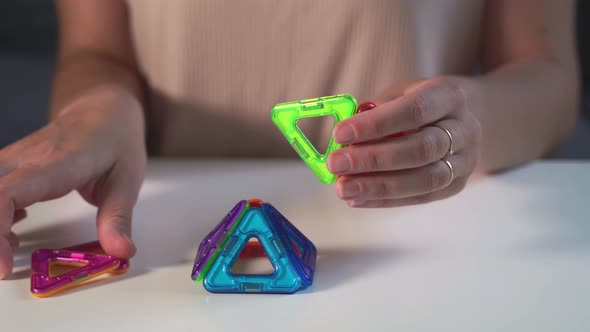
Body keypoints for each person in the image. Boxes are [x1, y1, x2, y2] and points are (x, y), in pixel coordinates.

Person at [0, 0, 579, 279]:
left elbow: (548, 77)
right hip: (167, 220)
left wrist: (464, 116)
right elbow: (94, 51)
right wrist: (94, 107)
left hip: (424, 243)